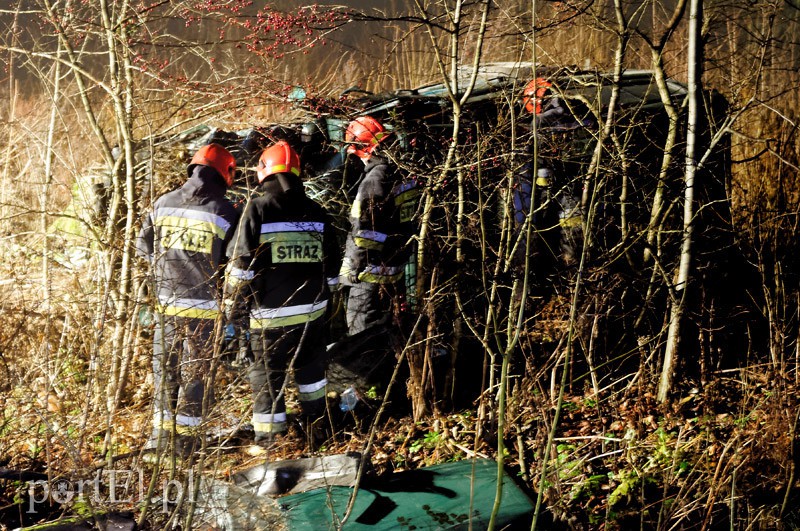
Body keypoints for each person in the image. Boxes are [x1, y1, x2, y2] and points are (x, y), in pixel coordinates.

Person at [224, 141, 340, 446]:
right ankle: (319, 433)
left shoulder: (258, 209)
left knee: (267, 382)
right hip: (312, 316)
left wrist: (233, 313)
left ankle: (272, 445)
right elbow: (333, 268)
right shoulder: (317, 211)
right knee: (313, 379)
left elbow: (240, 268)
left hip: (270, 320)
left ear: (264, 172)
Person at [136, 143, 240, 457]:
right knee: (194, 375)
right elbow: (233, 260)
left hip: (166, 304)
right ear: (226, 174)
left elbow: (143, 248)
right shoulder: (225, 211)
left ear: (193, 169)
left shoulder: (162, 203)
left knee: (164, 370)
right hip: (203, 309)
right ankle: (186, 445)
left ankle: (158, 441)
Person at [339, 115, 420, 337]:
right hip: (394, 272)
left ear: (362, 148)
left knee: (362, 337)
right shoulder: (402, 173)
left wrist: (354, 266)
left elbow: (366, 231)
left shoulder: (375, 180)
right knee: (386, 335)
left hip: (368, 275)